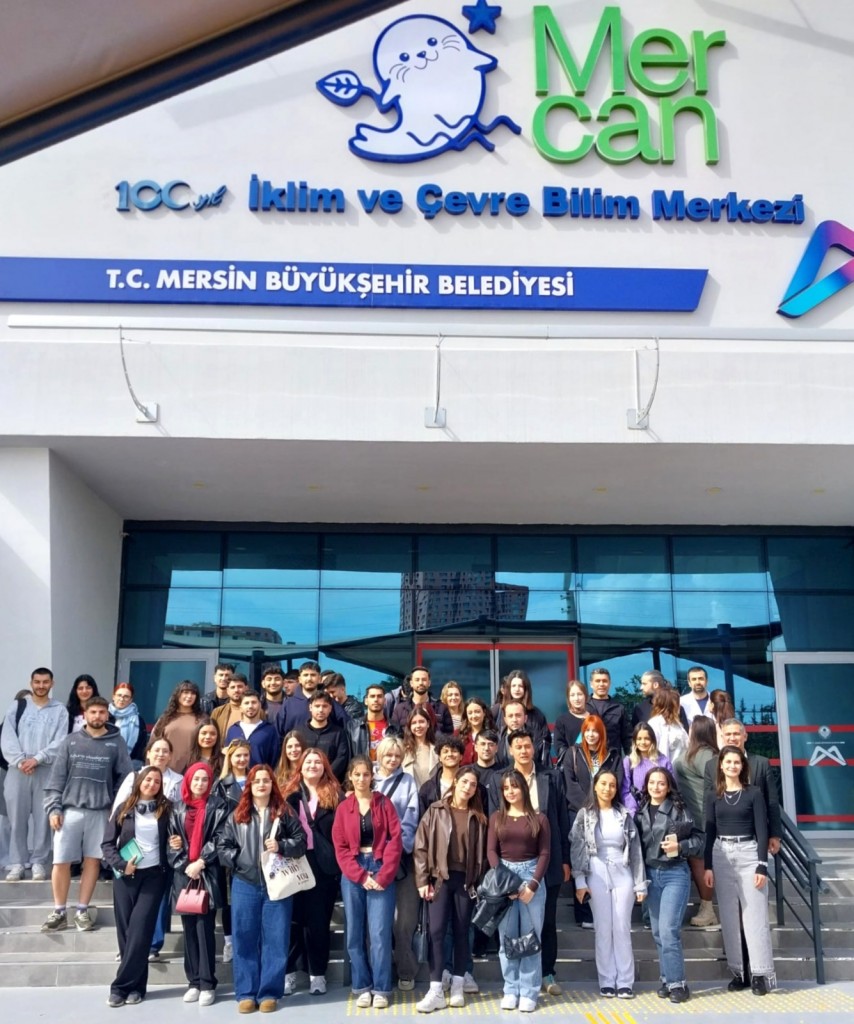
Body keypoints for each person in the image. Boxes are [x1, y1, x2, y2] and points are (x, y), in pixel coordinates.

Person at [217, 764, 308, 1014]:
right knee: (244, 937)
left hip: (277, 884)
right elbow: (223, 847)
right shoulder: (238, 814)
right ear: (249, 785)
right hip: (245, 883)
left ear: (272, 784)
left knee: (276, 938)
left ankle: (269, 992)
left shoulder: (284, 812)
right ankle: (246, 993)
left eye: (266, 780)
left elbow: (301, 842)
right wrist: (241, 861)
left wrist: (281, 846)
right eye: (256, 781)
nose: (261, 784)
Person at [42, 696, 133, 933]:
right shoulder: (71, 741)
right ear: (85, 714)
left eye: (102, 712)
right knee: (60, 860)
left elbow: (126, 778)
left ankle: (82, 910)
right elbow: (57, 778)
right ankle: (59, 911)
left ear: (107, 714)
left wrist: (116, 807)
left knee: (92, 860)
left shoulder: (117, 742)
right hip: (70, 810)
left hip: (101, 811)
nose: (97, 716)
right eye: (93, 712)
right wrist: (54, 808)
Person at [413, 765, 488, 1013]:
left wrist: (478, 881)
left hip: (466, 881)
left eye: (473, 784)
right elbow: (421, 846)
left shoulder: (478, 817)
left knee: (461, 932)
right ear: (455, 782)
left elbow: (483, 855)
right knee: (436, 932)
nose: (468, 787)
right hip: (440, 879)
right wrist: (422, 880)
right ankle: (435, 989)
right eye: (464, 782)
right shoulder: (436, 810)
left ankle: (457, 986)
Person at [703, 745, 776, 996]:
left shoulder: (753, 793)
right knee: (729, 916)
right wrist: (708, 866)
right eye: (728, 762)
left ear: (743, 766)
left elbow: (762, 830)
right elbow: (709, 831)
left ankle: (760, 974)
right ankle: (739, 973)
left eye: (737, 762)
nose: (732, 766)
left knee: (755, 916)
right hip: (721, 854)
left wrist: (761, 864)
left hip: (748, 852)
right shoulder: (712, 795)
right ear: (721, 766)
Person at [332, 755, 403, 1010]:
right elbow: (340, 847)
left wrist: (383, 875)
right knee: (354, 933)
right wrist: (361, 876)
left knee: (380, 933)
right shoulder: (343, 808)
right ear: (350, 777)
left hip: (381, 868)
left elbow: (395, 840)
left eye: (366, 774)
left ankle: (381, 987)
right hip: (354, 872)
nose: (362, 779)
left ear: (372, 776)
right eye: (357, 774)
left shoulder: (384, 803)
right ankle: (362, 986)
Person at [505, 728, 570, 998]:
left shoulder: (551, 777)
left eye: (527, 746)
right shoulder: (502, 780)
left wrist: (565, 858)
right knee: (514, 925)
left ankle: (547, 972)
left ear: (534, 748)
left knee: (546, 920)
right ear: (510, 751)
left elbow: (562, 817)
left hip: (546, 859)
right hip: (511, 862)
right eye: (518, 746)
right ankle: (516, 980)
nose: (523, 750)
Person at [570, 769, 646, 999]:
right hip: (595, 871)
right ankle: (606, 980)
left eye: (612, 785)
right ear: (595, 786)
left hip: (623, 871)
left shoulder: (624, 814)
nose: (607, 789)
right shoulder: (585, 814)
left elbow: (635, 850)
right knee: (603, 928)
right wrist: (580, 881)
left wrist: (640, 883)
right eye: (603, 784)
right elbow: (577, 847)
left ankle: (625, 981)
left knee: (622, 927)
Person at [102, 765, 171, 1007]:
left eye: (157, 781)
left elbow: (175, 836)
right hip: (125, 877)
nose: (152, 784)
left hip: (154, 877)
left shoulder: (166, 809)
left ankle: (119, 987)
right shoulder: (124, 809)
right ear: (140, 781)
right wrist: (122, 865)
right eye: (148, 780)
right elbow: (107, 844)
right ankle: (137, 987)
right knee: (126, 933)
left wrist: (175, 841)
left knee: (140, 931)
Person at [635, 767, 703, 1004]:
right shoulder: (640, 813)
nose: (656, 787)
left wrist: (680, 847)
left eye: (661, 783)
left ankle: (678, 984)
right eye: (652, 782)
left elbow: (699, 839)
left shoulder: (679, 810)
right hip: (651, 875)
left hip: (675, 873)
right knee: (657, 932)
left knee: (668, 930)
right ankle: (666, 979)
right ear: (646, 785)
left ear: (668, 786)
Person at [487, 769, 550, 1013]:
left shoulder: (539, 819)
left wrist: (532, 885)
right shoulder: (496, 817)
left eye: (514, 786)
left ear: (523, 788)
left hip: (531, 874)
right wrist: (506, 882)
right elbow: (491, 851)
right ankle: (510, 989)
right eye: (506, 788)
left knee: (531, 938)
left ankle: (529, 991)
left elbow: (545, 853)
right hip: (505, 875)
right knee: (507, 938)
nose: (510, 791)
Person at [281, 748, 342, 997]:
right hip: (294, 862)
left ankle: (317, 974)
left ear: (325, 766)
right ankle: (289, 973)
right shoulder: (289, 794)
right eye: (308, 762)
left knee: (318, 923)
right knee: (294, 922)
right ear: (300, 766)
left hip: (323, 865)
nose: (313, 765)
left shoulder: (335, 794)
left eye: (318, 762)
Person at [168, 762, 228, 1006]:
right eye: (196, 779)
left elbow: (221, 837)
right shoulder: (177, 808)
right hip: (184, 874)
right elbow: (172, 841)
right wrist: (186, 864)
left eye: (205, 779)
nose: (200, 783)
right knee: (189, 930)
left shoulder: (218, 806)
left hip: (207, 872)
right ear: (188, 781)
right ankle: (193, 982)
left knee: (205, 930)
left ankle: (207, 983)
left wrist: (201, 862)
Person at [2, 666, 67, 881]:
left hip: (45, 770)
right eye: (37, 682)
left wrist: (37, 758)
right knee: (16, 819)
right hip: (18, 770)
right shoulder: (18, 706)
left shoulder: (60, 710)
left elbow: (60, 741)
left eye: (45, 682)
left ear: (52, 683)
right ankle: (17, 863)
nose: (41, 686)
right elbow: (7, 737)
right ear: (31, 683)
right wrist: (21, 760)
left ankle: (39, 861)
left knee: (43, 818)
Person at [373, 736, 421, 993]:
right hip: (372, 858)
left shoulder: (408, 781)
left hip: (402, 857)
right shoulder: (368, 779)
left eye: (397, 756)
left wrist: (398, 845)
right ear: (379, 755)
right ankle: (378, 972)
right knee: (377, 922)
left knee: (404, 919)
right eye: (388, 755)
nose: (392, 760)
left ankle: (406, 969)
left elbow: (411, 817)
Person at [673, 716, 720, 929]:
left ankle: (708, 909)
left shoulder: (706, 755)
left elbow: (715, 785)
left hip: (703, 818)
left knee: (700, 860)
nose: (688, 730)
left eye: (691, 727)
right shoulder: (698, 753)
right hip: (694, 816)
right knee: (696, 859)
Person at [151, 681, 208, 774]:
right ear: (177, 695)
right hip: (165, 771)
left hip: (193, 771)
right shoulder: (165, 718)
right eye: (185, 692)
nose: (189, 696)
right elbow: (153, 743)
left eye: (193, 693)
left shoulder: (202, 719)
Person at [495, 671, 551, 760]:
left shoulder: (537, 714)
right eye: (513, 686)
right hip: (503, 763)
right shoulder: (498, 710)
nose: (517, 689)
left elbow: (544, 743)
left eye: (520, 686)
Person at [620, 723, 673, 814]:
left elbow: (671, 788)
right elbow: (625, 791)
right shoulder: (629, 762)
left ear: (652, 740)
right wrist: (634, 812)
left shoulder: (663, 761)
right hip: (637, 812)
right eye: (639, 739)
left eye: (647, 738)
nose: (643, 742)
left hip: (661, 811)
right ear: (634, 741)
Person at [298, 690, 349, 781]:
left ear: (330, 708)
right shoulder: (299, 732)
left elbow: (341, 758)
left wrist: (324, 776)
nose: (321, 710)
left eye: (325, 706)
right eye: (317, 706)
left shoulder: (339, 733)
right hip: (302, 782)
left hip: (329, 782)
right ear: (310, 707)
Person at [390, 666, 453, 734]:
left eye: (424, 679)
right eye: (417, 680)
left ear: (429, 683)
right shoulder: (400, 709)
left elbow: (449, 735)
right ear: (411, 683)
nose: (421, 683)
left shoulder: (441, 708)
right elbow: (394, 735)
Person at [225, 690, 280, 768]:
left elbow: (274, 759)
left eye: (254, 702)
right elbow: (227, 757)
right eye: (246, 703)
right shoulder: (233, 730)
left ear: (260, 705)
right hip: (236, 775)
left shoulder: (269, 730)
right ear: (240, 707)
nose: (250, 706)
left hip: (260, 775)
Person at [586, 667, 632, 755]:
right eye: (597, 681)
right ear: (591, 684)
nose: (601, 684)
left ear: (609, 683)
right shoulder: (584, 707)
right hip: (588, 758)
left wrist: (632, 758)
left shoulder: (619, 708)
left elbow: (627, 738)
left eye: (604, 681)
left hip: (613, 758)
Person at [418, 734, 465, 815]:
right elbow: (423, 819)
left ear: (461, 756)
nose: (450, 754)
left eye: (454, 751)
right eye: (445, 751)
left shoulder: (472, 786)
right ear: (439, 757)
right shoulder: (427, 789)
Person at [109, 682, 148, 766]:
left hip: (129, 765)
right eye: (119, 695)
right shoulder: (104, 716)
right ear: (113, 697)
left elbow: (140, 748)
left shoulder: (138, 720)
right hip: (105, 763)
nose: (121, 699)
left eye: (126, 696)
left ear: (131, 700)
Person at [648, 689, 689, 764]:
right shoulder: (654, 723)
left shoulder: (678, 724)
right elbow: (652, 752)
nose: (680, 707)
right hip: (662, 768)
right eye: (677, 704)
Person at [401, 706, 439, 788]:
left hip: (433, 794)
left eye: (421, 722)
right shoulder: (403, 750)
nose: (418, 726)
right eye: (414, 723)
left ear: (428, 724)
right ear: (410, 726)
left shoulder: (436, 749)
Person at [553, 679, 589, 757]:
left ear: (585, 696)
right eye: (572, 695)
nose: (576, 698)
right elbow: (559, 747)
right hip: (572, 762)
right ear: (568, 698)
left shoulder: (594, 717)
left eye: (579, 694)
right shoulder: (562, 720)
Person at [211, 674, 248, 743]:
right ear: (227, 690)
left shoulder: (257, 712)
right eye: (232, 687)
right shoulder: (217, 712)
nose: (236, 690)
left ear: (246, 688)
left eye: (240, 686)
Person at [459, 697, 494, 765]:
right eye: (470, 713)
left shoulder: (493, 734)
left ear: (484, 713)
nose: (474, 716)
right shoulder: (458, 734)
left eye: (477, 712)